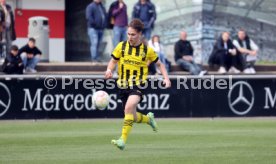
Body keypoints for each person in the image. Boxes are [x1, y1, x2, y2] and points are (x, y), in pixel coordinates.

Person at [105, 19, 171, 150]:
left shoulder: (147, 50)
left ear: (140, 34)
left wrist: (166, 78)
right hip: (122, 85)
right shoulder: (121, 46)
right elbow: (113, 61)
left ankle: (122, 140)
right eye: (128, 34)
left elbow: (160, 64)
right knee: (132, 116)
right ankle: (148, 119)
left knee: (129, 107)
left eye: (133, 34)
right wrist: (108, 70)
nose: (130, 37)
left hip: (138, 85)